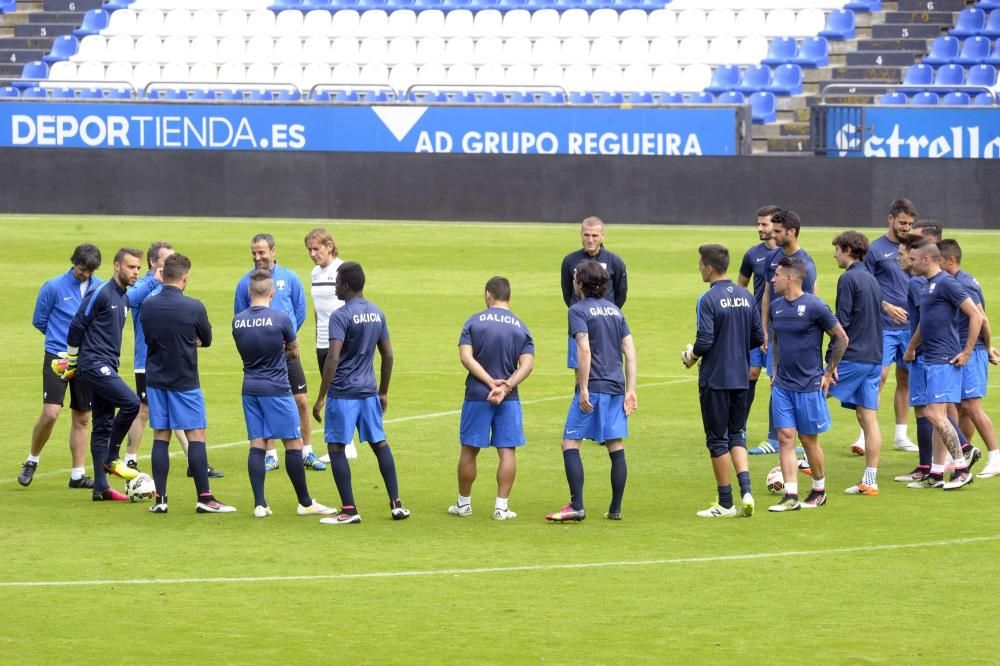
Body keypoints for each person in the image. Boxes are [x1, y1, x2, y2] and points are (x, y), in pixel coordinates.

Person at [311, 261, 410, 524]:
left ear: (345, 285)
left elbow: (332, 357)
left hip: (343, 392)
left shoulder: (340, 316)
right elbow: (388, 354)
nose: (334, 287)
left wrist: (321, 396)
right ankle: (396, 504)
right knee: (380, 444)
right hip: (368, 392)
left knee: (335, 448)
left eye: (336, 282)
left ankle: (349, 510)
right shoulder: (377, 313)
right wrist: (384, 391)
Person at [233, 269, 337, 518]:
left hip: (250, 388)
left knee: (257, 444)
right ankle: (305, 502)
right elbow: (293, 351)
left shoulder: (238, 321)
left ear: (249, 292)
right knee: (293, 442)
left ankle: (260, 503)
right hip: (277, 388)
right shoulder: (280, 319)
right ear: (271, 292)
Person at [59, 248, 160, 501]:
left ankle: (101, 488)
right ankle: (112, 458)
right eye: (130, 267)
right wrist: (72, 359)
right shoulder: (102, 292)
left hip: (107, 365)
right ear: (117, 266)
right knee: (131, 403)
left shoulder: (123, 297)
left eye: (138, 268)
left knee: (102, 425)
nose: (135, 272)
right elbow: (77, 324)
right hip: (93, 364)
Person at [140, 253, 234, 513]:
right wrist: (192, 340)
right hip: (185, 380)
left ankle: (160, 500)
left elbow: (149, 338)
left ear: (163, 274)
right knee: (196, 436)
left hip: (156, 378)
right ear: (184, 277)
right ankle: (205, 498)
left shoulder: (148, 306)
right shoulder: (194, 306)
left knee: (161, 436)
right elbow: (208, 338)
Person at [546, 260, 637, 522]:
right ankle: (615, 508)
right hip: (616, 386)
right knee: (615, 445)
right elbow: (629, 352)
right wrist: (631, 389)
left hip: (593, 385)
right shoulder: (615, 311)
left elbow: (583, 349)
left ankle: (577, 505)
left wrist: (583, 388)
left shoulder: (577, 310)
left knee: (570, 442)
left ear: (580, 283)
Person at [125, 241, 223, 479]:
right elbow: (129, 299)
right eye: (167, 258)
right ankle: (130, 459)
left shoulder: (170, 289)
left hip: (171, 361)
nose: (171, 262)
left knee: (170, 416)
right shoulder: (144, 287)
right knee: (147, 412)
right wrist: (153, 281)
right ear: (153, 262)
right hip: (148, 360)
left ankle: (193, 461)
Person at [684, 245, 763, 518]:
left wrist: (690, 356)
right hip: (741, 378)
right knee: (737, 435)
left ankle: (726, 503)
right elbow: (757, 337)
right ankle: (748, 492)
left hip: (715, 379)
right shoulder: (746, 296)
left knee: (717, 441)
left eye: (700, 265)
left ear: (708, 268)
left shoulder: (707, 299)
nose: (698, 269)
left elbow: (704, 340)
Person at [235, 234, 324, 473]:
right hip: (261, 355)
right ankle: (271, 454)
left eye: (262, 252)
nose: (257, 257)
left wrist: (287, 338)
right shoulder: (245, 282)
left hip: (287, 352)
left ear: (273, 251)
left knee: (302, 401)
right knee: (264, 402)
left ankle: (307, 451)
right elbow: (239, 317)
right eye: (254, 252)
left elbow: (300, 311)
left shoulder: (290, 278)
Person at [449, 277, 535, 521]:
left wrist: (489, 382)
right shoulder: (521, 326)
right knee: (507, 451)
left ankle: (464, 504)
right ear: (508, 296)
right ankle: (501, 507)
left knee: (469, 449)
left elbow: (466, 357)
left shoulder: (474, 322)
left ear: (488, 294)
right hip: (509, 398)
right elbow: (527, 365)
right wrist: (506, 386)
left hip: (478, 394)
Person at [767, 257, 848, 512]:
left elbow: (841, 338)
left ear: (790, 278)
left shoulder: (815, 307)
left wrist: (828, 372)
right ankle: (791, 495)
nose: (772, 279)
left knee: (808, 439)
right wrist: (776, 369)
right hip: (782, 385)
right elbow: (777, 341)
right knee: (785, 436)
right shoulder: (776, 307)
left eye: (777, 275)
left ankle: (819, 489)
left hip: (808, 384)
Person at [903, 238, 983, 490]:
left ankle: (961, 467)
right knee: (936, 417)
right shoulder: (927, 285)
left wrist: (968, 351)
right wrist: (912, 346)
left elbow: (976, 315)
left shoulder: (947, 283)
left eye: (913, 259)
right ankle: (936, 474)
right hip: (930, 358)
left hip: (944, 359)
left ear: (927, 259)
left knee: (934, 415)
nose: (910, 262)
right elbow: (924, 322)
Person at [20, 244, 102, 489]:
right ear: (73, 262)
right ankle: (32, 459)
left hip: (86, 358)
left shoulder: (100, 288)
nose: (84, 274)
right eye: (81, 268)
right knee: (51, 413)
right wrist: (61, 340)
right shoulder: (53, 287)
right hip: (60, 357)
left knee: (83, 416)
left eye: (89, 270)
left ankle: (77, 475)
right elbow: (39, 320)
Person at [753, 209, 819, 456]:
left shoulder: (806, 264)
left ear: (791, 232)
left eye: (778, 231)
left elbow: (813, 302)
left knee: (792, 386)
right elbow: (768, 294)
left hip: (798, 336)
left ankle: (798, 437)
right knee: (776, 384)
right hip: (777, 330)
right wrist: (765, 329)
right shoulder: (774, 257)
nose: (773, 234)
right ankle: (776, 436)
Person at [856, 199, 920, 455]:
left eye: (910, 223)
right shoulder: (875, 249)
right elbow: (866, 285)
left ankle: (901, 435)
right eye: (903, 222)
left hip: (910, 326)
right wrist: (886, 307)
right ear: (890, 219)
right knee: (878, 377)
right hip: (883, 325)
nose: (906, 227)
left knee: (906, 378)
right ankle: (864, 434)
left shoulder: (914, 248)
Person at [938, 239, 1000, 479]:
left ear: (950, 260)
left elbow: (981, 318)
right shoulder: (961, 281)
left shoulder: (962, 283)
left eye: (939, 260)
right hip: (966, 350)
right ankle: (962, 458)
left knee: (972, 406)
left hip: (971, 352)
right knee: (962, 407)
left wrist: (984, 347)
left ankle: (995, 457)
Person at [830, 232, 884, 496]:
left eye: (837, 250)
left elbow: (840, 326)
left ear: (849, 250)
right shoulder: (872, 280)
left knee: (809, 395)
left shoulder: (849, 278)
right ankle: (870, 480)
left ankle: (802, 462)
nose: (834, 254)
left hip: (854, 357)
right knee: (867, 417)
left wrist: (831, 364)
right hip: (875, 358)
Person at [304, 227, 356, 462]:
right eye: (310, 250)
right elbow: (317, 311)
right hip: (322, 340)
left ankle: (347, 444)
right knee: (334, 389)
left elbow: (351, 305)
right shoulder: (314, 273)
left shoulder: (342, 270)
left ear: (330, 247)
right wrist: (317, 336)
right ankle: (347, 444)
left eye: (316, 248)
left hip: (341, 340)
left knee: (339, 390)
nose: (313, 254)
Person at [560, 216, 627, 370]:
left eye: (595, 235)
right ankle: (581, 393)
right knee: (579, 370)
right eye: (587, 235)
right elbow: (567, 292)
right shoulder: (569, 261)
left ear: (603, 236)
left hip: (606, 324)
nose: (590, 239)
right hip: (579, 324)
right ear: (580, 234)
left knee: (606, 368)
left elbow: (621, 293)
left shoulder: (615, 262)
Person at [738, 205, 779, 453]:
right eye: (759, 224)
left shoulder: (791, 257)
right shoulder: (752, 255)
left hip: (781, 328)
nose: (760, 228)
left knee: (777, 381)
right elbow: (741, 286)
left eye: (764, 224)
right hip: (754, 326)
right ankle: (739, 428)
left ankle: (776, 437)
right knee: (750, 373)